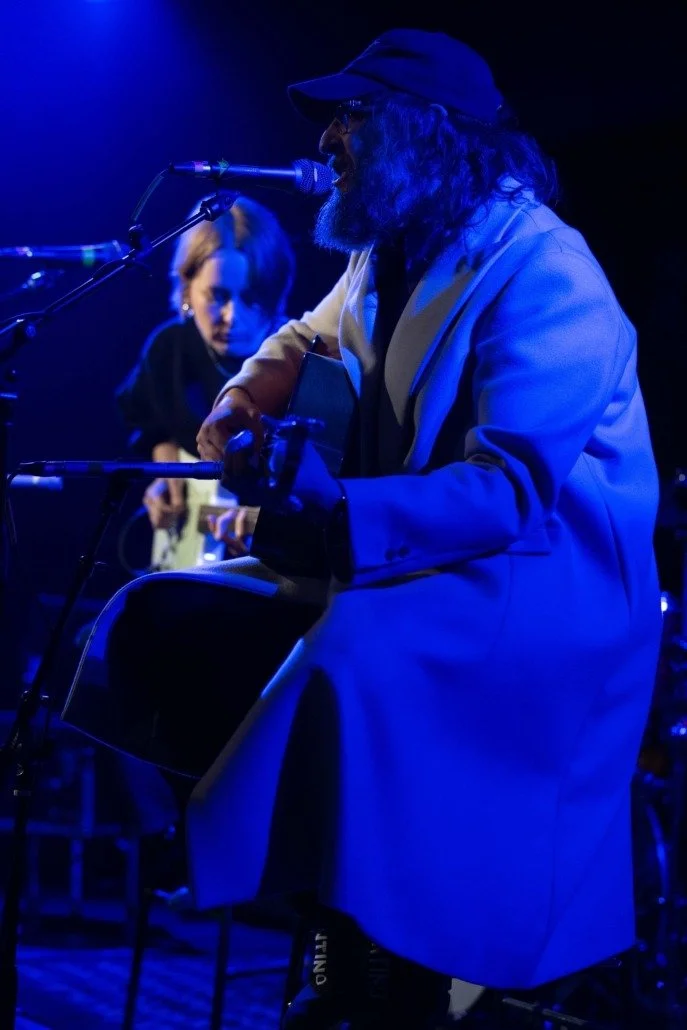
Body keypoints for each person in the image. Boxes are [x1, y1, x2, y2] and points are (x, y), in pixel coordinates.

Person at [69, 27, 662, 1029]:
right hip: (419, 558)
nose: (332, 138)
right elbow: (306, 334)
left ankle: (357, 961)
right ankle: (299, 902)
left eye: (354, 116)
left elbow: (509, 492)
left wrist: (336, 508)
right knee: (161, 612)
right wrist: (246, 398)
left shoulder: (546, 270)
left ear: (424, 134)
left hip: (533, 587)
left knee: (350, 660)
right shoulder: (393, 249)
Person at [116, 193, 295, 564]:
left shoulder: (298, 366)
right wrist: (166, 471)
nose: (231, 316)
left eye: (252, 299)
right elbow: (150, 421)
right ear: (186, 290)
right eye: (217, 296)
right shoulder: (169, 347)